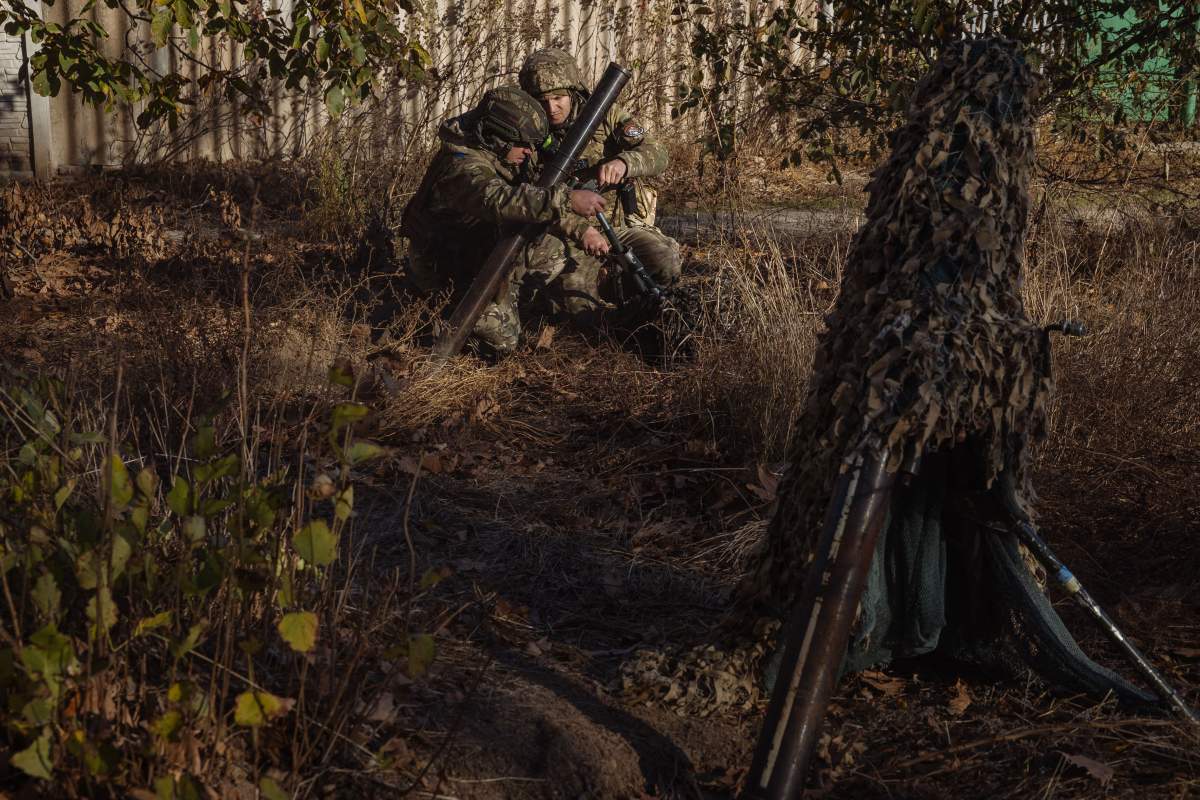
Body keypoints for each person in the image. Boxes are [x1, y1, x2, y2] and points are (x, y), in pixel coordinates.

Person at [400, 85, 608, 356]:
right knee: (504, 342)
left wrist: (582, 230)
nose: (528, 152)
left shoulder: (494, 153)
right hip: (444, 266)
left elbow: (530, 199)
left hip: (480, 249)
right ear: (496, 137)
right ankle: (433, 313)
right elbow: (499, 199)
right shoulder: (461, 165)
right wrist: (566, 199)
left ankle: (509, 299)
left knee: (556, 248)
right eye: (521, 144)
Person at [518, 48, 682, 317]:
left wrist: (625, 163)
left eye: (558, 98)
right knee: (579, 302)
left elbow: (657, 153)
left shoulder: (604, 116)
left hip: (616, 228)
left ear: (572, 91)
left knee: (665, 259)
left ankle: (644, 310)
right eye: (542, 100)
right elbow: (529, 199)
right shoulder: (526, 131)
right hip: (565, 236)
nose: (551, 108)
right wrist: (581, 229)